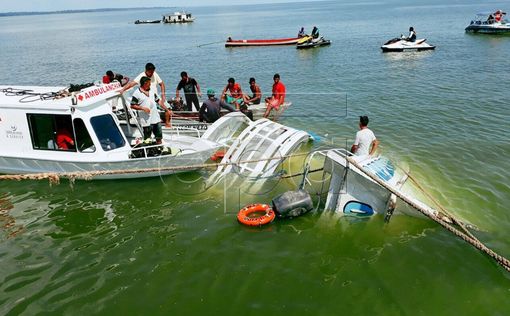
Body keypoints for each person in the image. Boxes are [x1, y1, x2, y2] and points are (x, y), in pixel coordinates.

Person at [120, 62, 172, 127]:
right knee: (149, 111)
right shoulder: (141, 76)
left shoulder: (154, 74)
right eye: (150, 72)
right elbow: (132, 83)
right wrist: (123, 89)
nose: (152, 74)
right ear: (146, 70)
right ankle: (151, 124)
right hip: (146, 98)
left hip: (155, 96)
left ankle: (167, 123)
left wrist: (163, 95)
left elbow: (162, 84)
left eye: (153, 72)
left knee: (168, 108)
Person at [130, 76, 164, 144]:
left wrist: (167, 109)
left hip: (156, 119)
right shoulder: (137, 93)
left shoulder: (151, 91)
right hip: (146, 121)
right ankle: (148, 151)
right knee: (147, 139)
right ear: (145, 83)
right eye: (149, 83)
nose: (150, 85)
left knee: (159, 137)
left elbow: (158, 101)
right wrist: (143, 108)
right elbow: (132, 105)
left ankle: (160, 148)